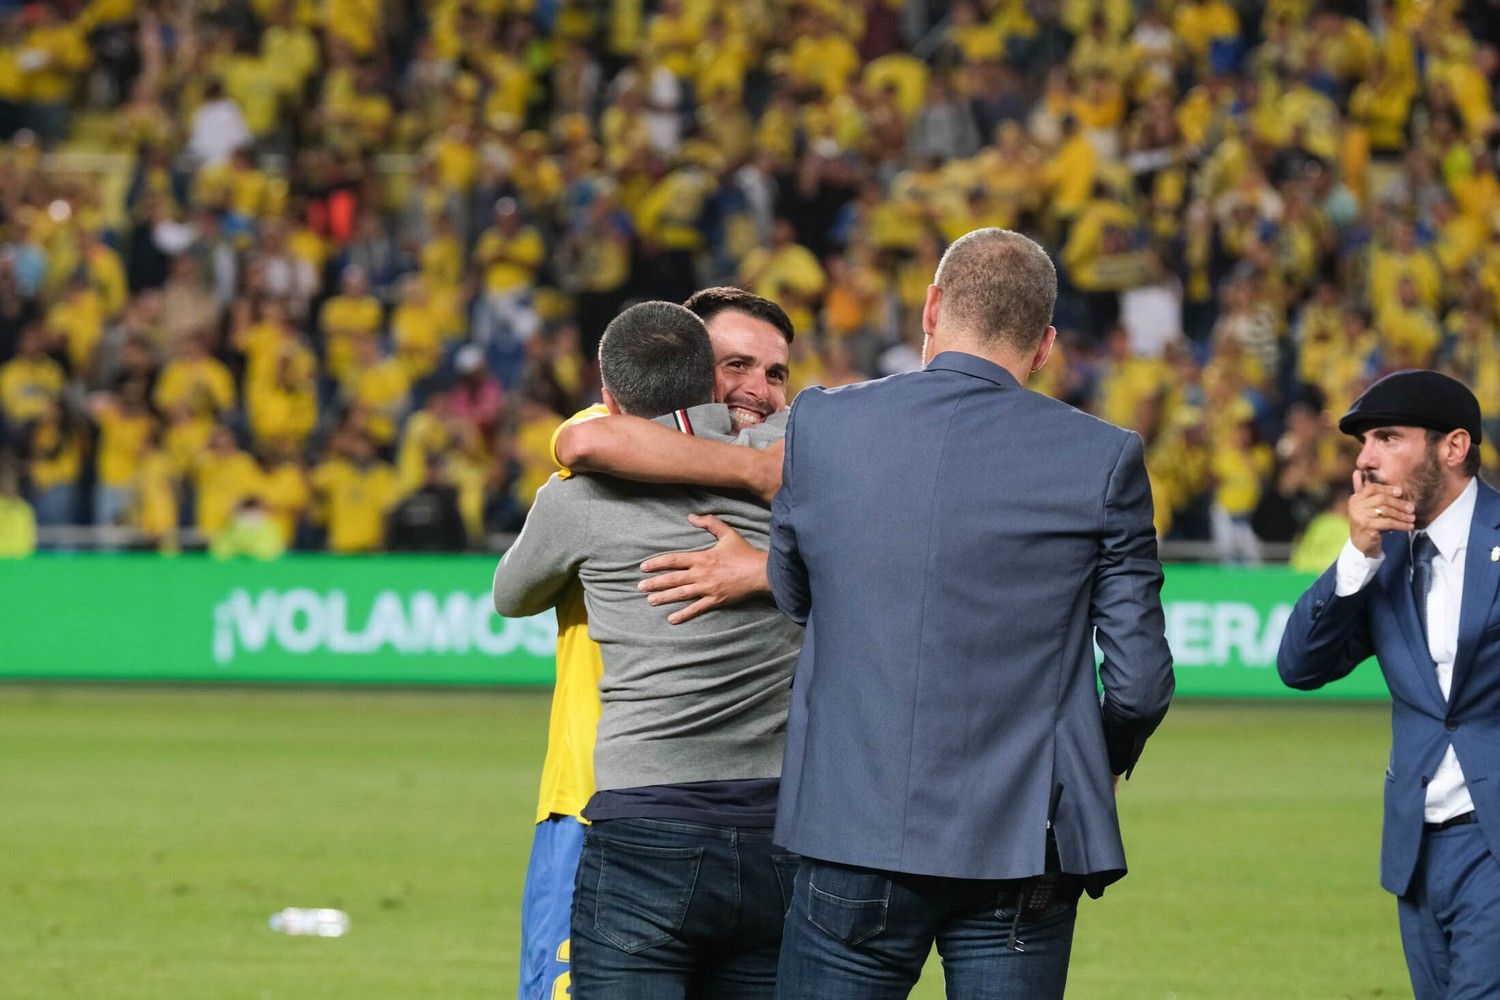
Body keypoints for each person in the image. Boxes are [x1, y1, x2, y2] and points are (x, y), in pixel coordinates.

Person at [766, 228, 1175, 998]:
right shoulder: (1103, 457)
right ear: (1045, 343)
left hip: (853, 826)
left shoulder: (821, 425)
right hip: (1023, 840)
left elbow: (794, 596)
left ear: (931, 308)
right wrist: (1103, 759)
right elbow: (1139, 685)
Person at [493, 301, 802, 997]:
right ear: (692, 370)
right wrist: (754, 475)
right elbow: (587, 443)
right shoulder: (606, 441)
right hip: (594, 801)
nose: (757, 388)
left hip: (709, 810)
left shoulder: (800, 463)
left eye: (776, 373)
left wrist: (763, 569)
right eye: (737, 365)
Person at [1277, 369, 1500, 1000]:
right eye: (1362, 445)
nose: (1367, 460)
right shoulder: (1382, 554)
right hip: (1417, 850)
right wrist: (1357, 556)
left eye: (1386, 438)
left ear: (1452, 448)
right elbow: (1299, 667)